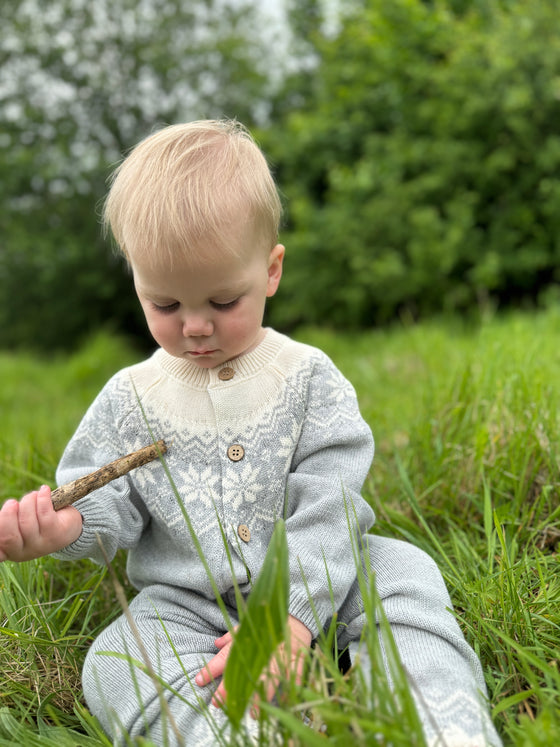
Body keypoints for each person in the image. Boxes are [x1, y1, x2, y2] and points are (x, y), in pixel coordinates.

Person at [0, 120, 502, 746]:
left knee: (403, 575)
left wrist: (286, 614)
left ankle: (434, 722)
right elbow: (107, 500)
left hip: (328, 580)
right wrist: (66, 526)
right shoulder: (131, 397)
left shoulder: (307, 379)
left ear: (270, 271)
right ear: (137, 282)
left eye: (222, 301)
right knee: (119, 654)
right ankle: (233, 734)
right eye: (166, 306)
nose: (196, 327)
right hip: (188, 603)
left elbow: (332, 502)